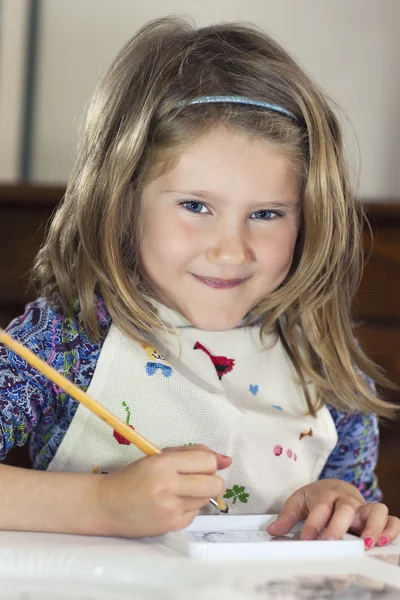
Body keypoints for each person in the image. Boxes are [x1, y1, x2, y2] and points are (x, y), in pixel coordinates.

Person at [0, 17, 398, 548]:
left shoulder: (326, 366)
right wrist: (102, 504)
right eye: (195, 206)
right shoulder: (65, 342)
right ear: (123, 203)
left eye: (268, 214)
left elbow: (356, 513)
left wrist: (339, 505)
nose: (232, 250)